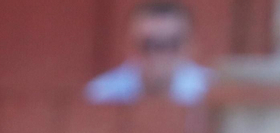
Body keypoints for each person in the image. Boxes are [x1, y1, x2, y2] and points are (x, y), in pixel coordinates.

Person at [84, 1, 212, 106]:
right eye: (148, 45)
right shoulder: (101, 95)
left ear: (191, 46)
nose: (159, 56)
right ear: (128, 46)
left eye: (171, 44)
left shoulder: (211, 91)